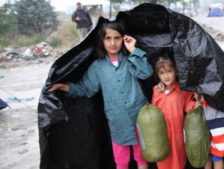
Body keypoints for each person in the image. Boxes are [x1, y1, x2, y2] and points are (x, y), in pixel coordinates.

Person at [48, 21, 153, 169]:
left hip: (139, 117)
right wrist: (64, 86)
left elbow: (146, 73)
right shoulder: (98, 67)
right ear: (101, 41)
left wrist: (133, 50)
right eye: (108, 38)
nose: (113, 43)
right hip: (117, 122)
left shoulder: (130, 60)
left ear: (123, 39)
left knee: (142, 157)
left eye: (117, 38)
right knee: (121, 161)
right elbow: (86, 88)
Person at [151, 54, 199, 169]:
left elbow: (188, 106)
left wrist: (196, 103)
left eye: (169, 71)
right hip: (162, 135)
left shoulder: (182, 90)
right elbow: (153, 111)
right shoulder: (157, 90)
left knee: (178, 161)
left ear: (176, 72)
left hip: (178, 134)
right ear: (158, 75)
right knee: (163, 161)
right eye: (162, 73)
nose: (166, 76)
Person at [197, 95, 224, 169]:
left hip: (219, 125)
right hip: (209, 122)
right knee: (206, 153)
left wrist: (202, 98)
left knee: (217, 156)